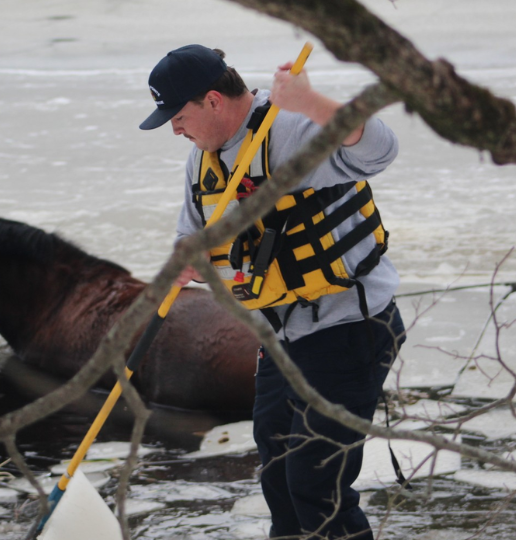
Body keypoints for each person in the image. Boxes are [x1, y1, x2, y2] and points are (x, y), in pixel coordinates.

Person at [139, 44, 406, 539]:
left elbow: (380, 150)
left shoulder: (289, 131)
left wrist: (310, 102)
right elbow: (191, 230)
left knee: (316, 487)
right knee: (280, 480)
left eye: (178, 115)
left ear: (214, 101)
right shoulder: (203, 160)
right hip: (279, 341)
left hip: (348, 330)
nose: (175, 129)